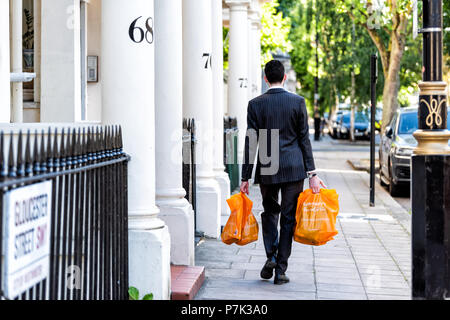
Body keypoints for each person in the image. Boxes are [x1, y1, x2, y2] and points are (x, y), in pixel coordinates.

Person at [240, 60, 326, 285]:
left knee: (270, 212)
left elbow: (252, 142)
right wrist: (312, 174)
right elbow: (304, 139)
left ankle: (271, 254)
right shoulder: (297, 102)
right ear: (284, 77)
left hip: (268, 164)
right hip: (293, 166)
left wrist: (245, 176)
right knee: (288, 218)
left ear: (265, 78)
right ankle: (280, 269)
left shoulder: (255, 104)